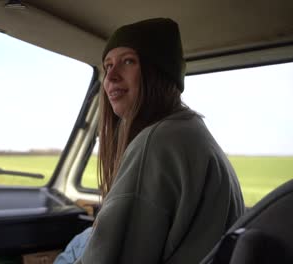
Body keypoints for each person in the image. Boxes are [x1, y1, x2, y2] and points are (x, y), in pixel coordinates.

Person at [55, 17, 245, 264]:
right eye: (107, 65)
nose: (110, 77)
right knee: (84, 239)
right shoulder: (191, 130)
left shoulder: (156, 143)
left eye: (128, 61)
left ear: (158, 71)